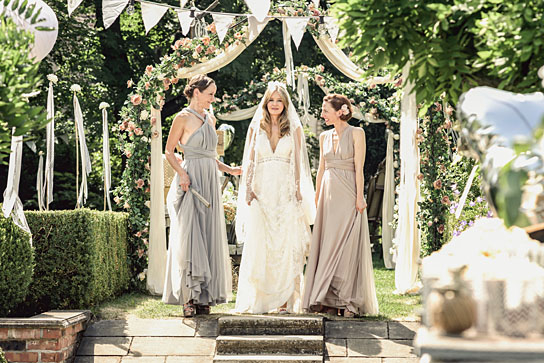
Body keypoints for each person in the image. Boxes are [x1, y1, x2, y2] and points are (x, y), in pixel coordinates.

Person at [162, 74, 242, 317]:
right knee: (190, 236)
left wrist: (229, 169)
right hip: (191, 180)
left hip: (209, 180)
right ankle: (189, 296)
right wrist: (182, 174)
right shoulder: (182, 118)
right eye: (210, 94)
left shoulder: (211, 118)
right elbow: (168, 151)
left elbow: (210, 155)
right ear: (196, 92)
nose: (213, 98)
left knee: (207, 236)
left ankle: (204, 296)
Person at [235, 82, 316, 314]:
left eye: (279, 100)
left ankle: (283, 301)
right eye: (271, 100)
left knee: (284, 243)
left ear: (285, 104)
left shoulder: (294, 128)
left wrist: (298, 188)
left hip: (285, 189)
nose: (275, 104)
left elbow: (298, 162)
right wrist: (248, 187)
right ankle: (260, 299)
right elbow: (249, 159)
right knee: (262, 243)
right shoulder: (256, 128)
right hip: (261, 190)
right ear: (266, 102)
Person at [302, 94, 379, 317]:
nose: (322, 114)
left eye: (326, 110)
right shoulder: (324, 136)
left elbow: (359, 167)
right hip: (327, 194)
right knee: (326, 245)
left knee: (345, 245)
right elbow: (321, 170)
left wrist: (359, 197)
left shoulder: (357, 133)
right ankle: (325, 298)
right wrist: (316, 198)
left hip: (347, 193)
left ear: (341, 111)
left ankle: (345, 301)